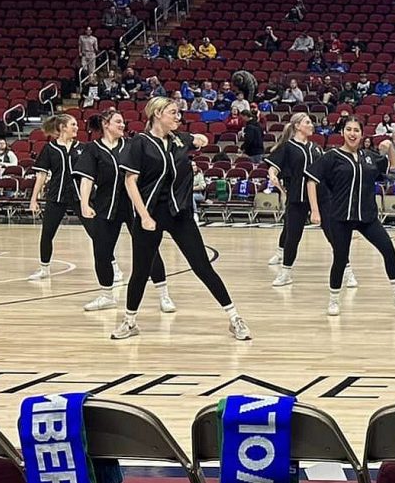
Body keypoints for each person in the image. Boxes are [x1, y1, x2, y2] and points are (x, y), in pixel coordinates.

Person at [115, 97, 251, 340]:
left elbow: (199, 140)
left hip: (179, 213)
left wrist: (200, 139)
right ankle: (129, 321)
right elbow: (129, 182)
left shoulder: (178, 139)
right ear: (157, 114)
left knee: (202, 266)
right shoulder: (139, 143)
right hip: (151, 214)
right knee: (141, 270)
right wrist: (144, 216)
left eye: (178, 113)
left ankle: (234, 318)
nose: (178, 117)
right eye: (173, 112)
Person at [306, 118, 395, 318]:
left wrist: (389, 147)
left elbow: (393, 164)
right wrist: (315, 210)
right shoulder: (332, 156)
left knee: (388, 250)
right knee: (340, 258)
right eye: (349, 129)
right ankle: (334, 300)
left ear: (362, 134)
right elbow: (311, 180)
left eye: (356, 130)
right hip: (340, 216)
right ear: (343, 132)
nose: (352, 133)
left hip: (367, 216)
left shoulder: (368, 157)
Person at [76, 110, 173, 313]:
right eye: (118, 121)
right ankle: (106, 295)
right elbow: (87, 178)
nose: (122, 125)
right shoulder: (92, 149)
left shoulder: (132, 145)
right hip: (105, 207)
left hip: (134, 207)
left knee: (150, 250)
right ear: (105, 124)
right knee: (101, 252)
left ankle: (164, 295)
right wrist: (84, 203)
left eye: (123, 122)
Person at [265, 113, 327, 288]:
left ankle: (347, 271)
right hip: (296, 197)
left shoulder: (316, 148)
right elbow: (273, 166)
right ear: (298, 126)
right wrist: (272, 175)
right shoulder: (287, 147)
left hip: (319, 198)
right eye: (308, 122)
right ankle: (285, 272)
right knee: (292, 235)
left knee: (333, 234)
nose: (311, 125)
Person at [27, 115, 80, 281]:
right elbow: (41, 175)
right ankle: (44, 268)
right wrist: (33, 199)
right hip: (56, 195)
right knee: (47, 234)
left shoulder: (82, 147)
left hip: (79, 196)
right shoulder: (50, 148)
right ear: (63, 127)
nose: (76, 127)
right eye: (73, 124)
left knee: (97, 233)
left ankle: (113, 267)